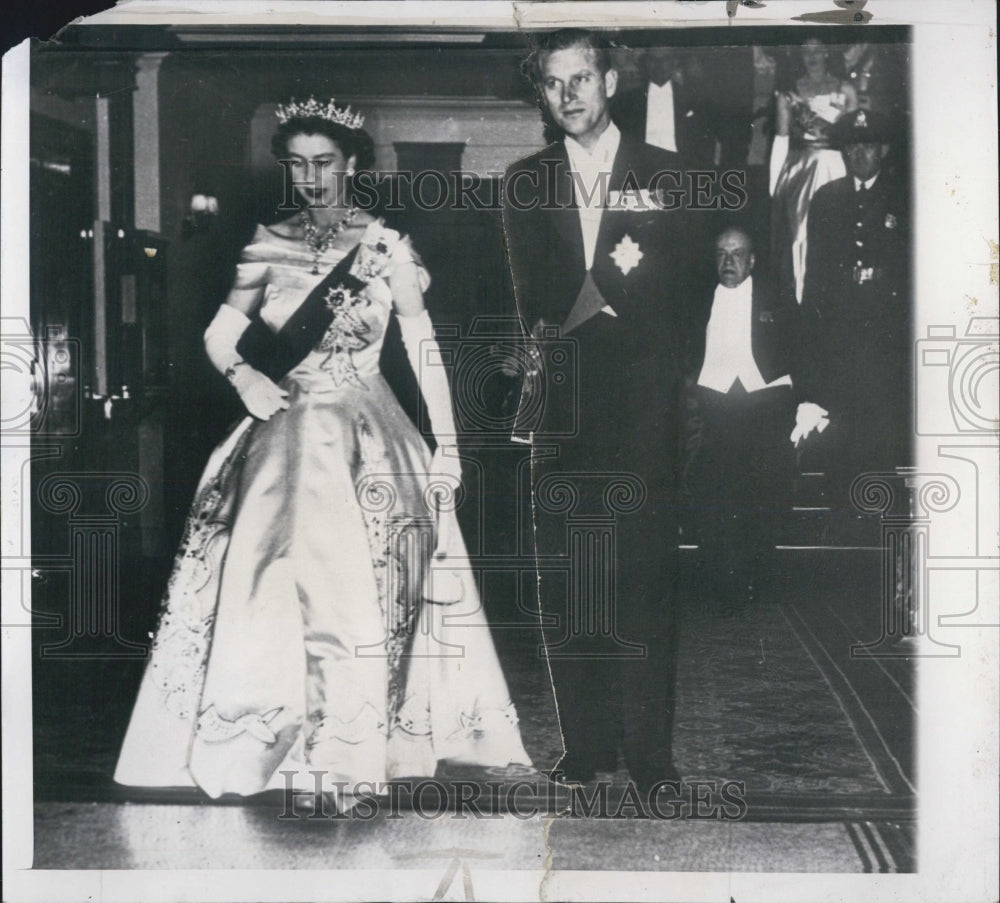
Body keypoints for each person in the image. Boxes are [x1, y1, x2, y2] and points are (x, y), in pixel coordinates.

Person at [115, 97, 531, 808]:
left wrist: (449, 445)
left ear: (353, 164)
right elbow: (220, 335)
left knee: (364, 591)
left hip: (370, 433)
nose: (310, 177)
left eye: (324, 162)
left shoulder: (386, 246)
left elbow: (423, 348)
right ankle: (272, 748)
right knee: (267, 585)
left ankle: (351, 752)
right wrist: (245, 375)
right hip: (281, 426)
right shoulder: (264, 243)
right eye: (298, 163)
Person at [503, 29, 694, 792]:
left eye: (583, 77)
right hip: (566, 403)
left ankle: (650, 755)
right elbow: (530, 294)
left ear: (610, 81)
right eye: (554, 83)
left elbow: (685, 292)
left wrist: (612, 312)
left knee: (644, 579)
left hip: (645, 399)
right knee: (571, 577)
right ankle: (586, 745)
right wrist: (596, 308)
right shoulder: (525, 181)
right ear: (543, 95)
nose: (570, 94)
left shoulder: (669, 174)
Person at [792, 108, 911, 504]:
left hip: (884, 333)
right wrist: (811, 336)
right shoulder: (828, 199)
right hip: (838, 337)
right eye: (853, 146)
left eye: (869, 145)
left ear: (884, 150)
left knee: (881, 431)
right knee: (840, 432)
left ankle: (877, 516)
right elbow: (816, 276)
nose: (860, 153)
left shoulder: (903, 198)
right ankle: (841, 518)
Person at [684, 227, 797, 607]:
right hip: (713, 403)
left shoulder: (776, 296)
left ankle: (756, 577)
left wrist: (800, 397)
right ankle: (720, 579)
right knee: (714, 491)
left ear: (752, 260)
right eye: (721, 253)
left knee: (761, 491)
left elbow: (800, 345)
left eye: (737, 253)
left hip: (762, 401)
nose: (728, 261)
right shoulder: (696, 297)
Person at [770, 35, 858, 302]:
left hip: (837, 169)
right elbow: (781, 139)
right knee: (801, 233)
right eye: (806, 51)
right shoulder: (789, 93)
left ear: (827, 53)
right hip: (801, 170)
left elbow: (856, 139)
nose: (812, 57)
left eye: (818, 51)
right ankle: (799, 297)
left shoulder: (846, 91)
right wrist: (774, 187)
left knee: (836, 234)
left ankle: (836, 297)